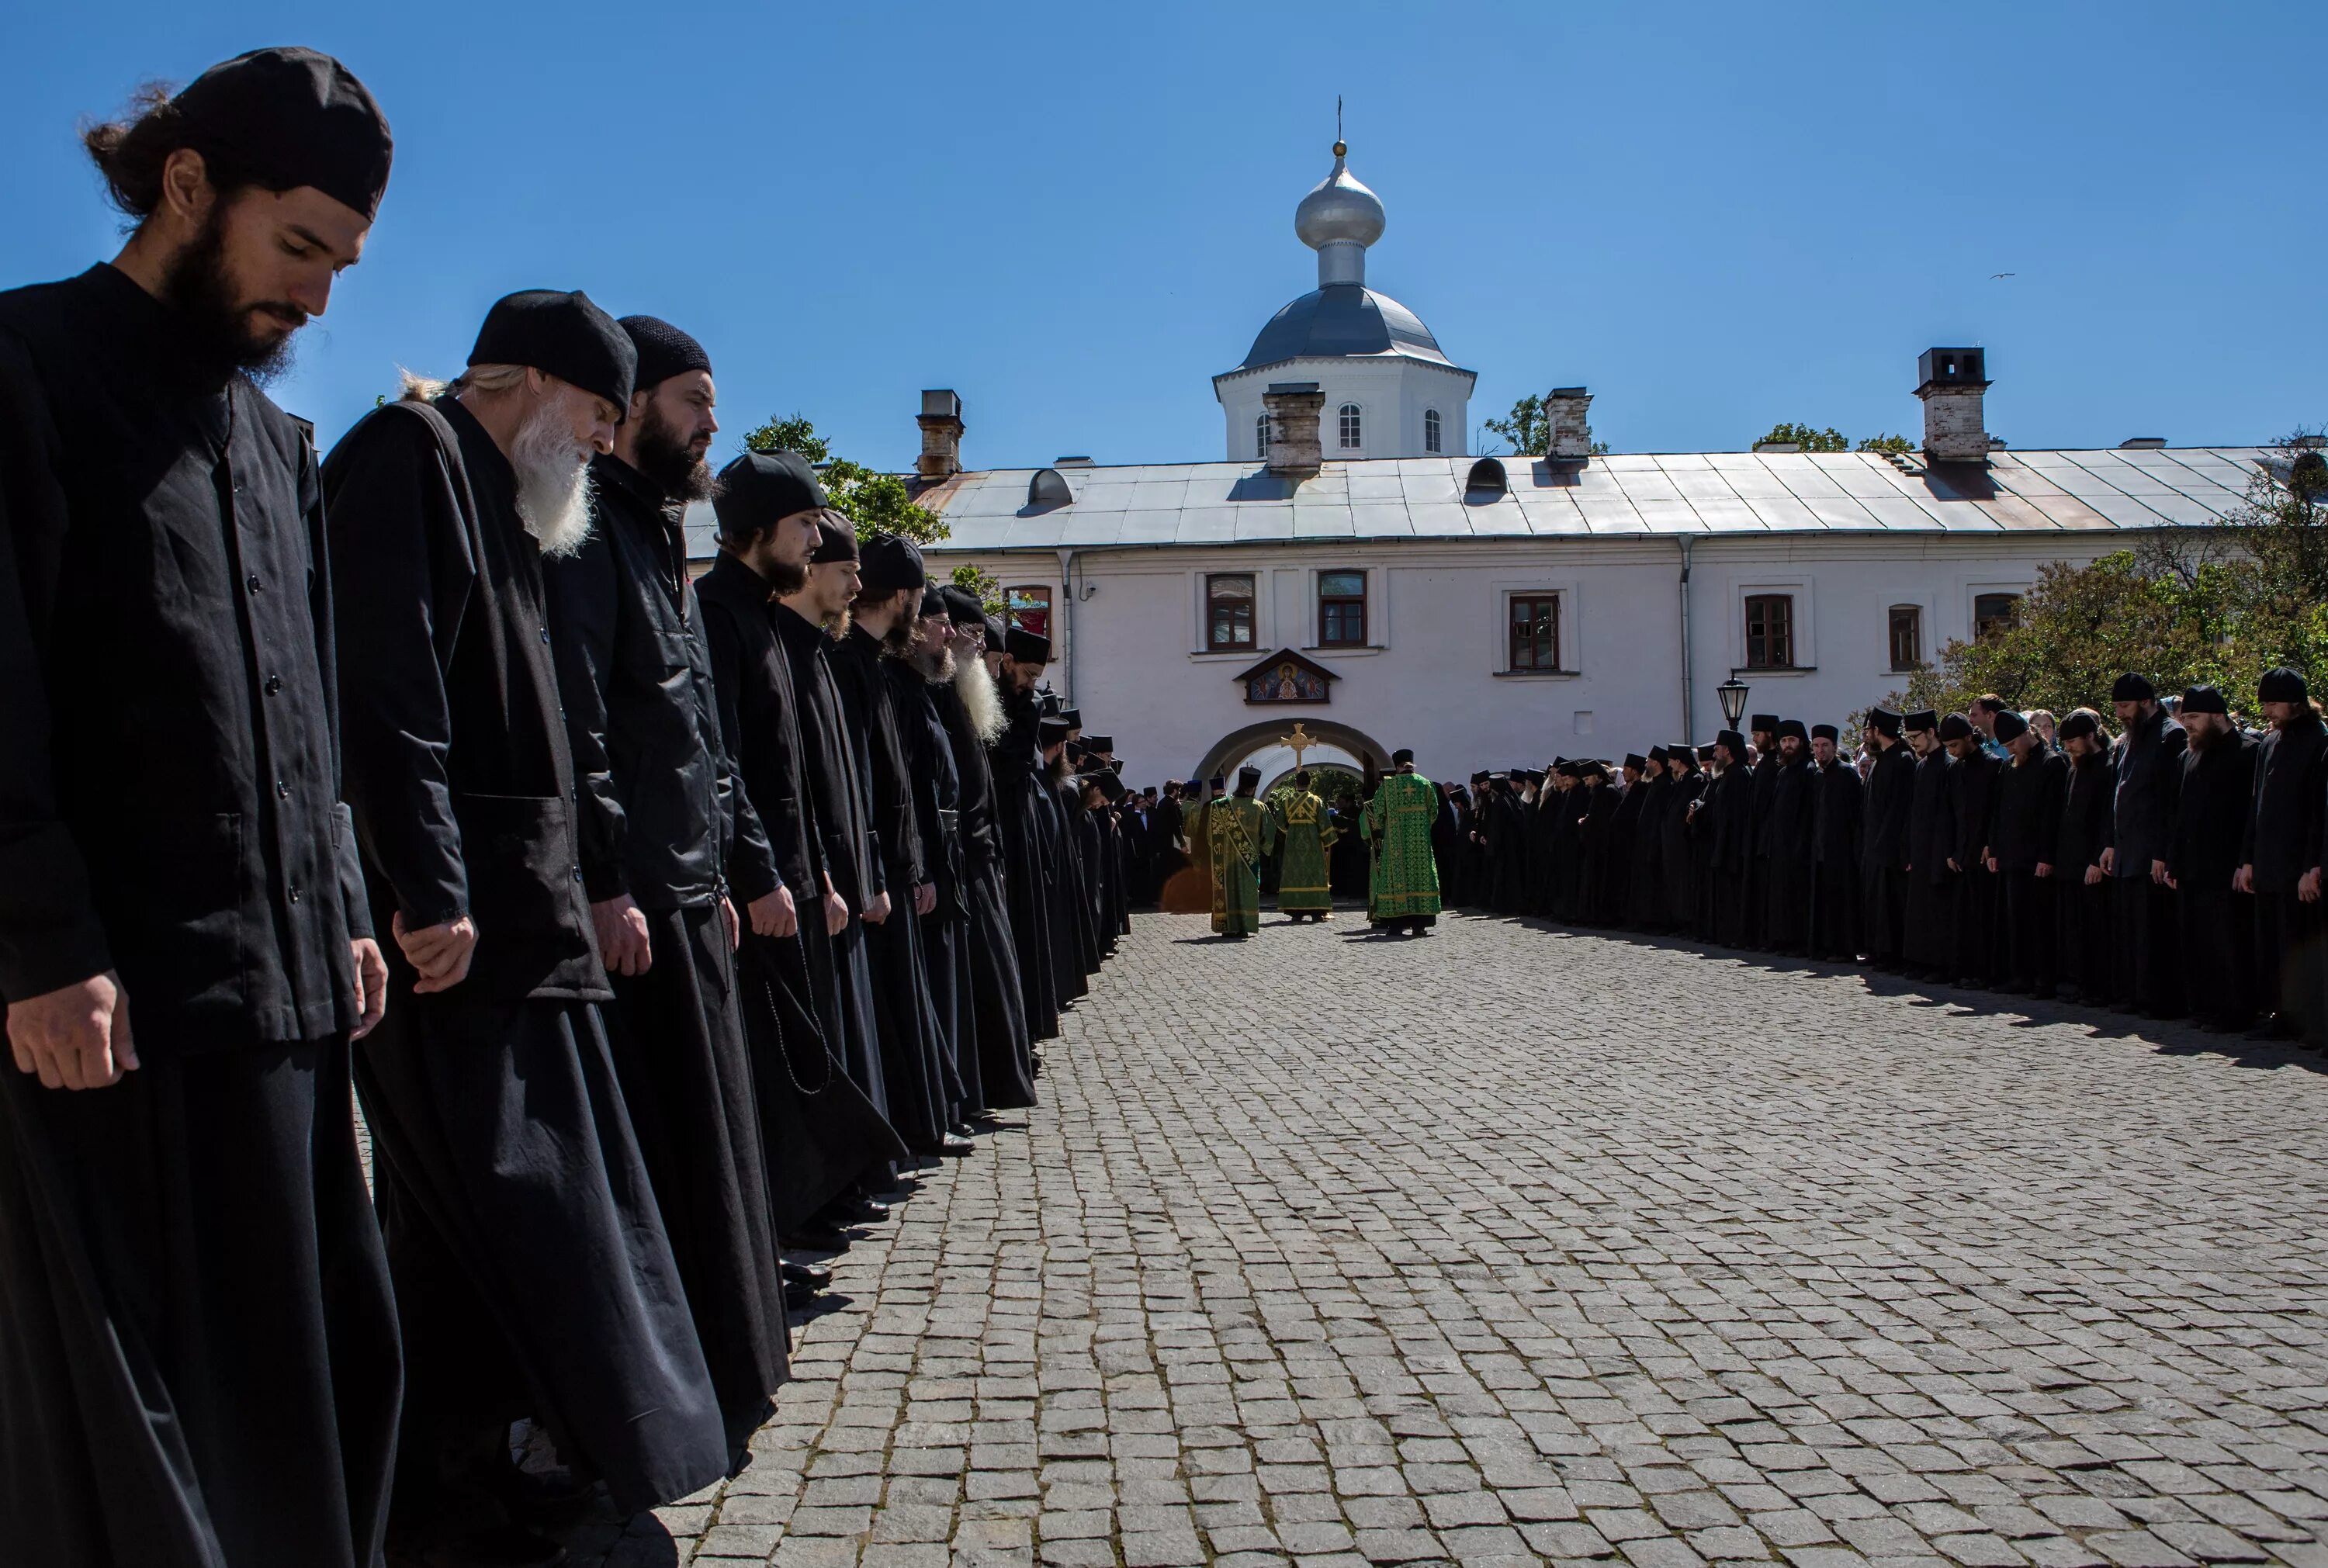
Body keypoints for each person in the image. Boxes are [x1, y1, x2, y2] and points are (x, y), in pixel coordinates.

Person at [0, 49, 404, 1568]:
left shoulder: (275, 440)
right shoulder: (25, 364)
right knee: (145, 1452)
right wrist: (38, 938)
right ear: (186, 185)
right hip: (112, 1010)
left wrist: (346, 904)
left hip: (289, 1000)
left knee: (317, 1395)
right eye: (297, 244)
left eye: (342, 266)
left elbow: (302, 703)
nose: (316, 297)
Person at [327, 289, 731, 1557]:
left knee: (528, 1211)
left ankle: (509, 1448)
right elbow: (386, 695)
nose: (609, 446)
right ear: (522, 379)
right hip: (466, 922)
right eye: (599, 414)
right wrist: (428, 885)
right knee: (492, 1205)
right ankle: (465, 1468)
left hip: (530, 913)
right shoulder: (409, 458)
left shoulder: (512, 496)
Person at [542, 314, 788, 1458]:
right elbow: (581, 722)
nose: (710, 426)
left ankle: (727, 1361)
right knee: (663, 1150)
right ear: (632, 403)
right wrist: (603, 877)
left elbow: (702, 737)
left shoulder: (660, 545)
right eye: (693, 402)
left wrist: (738, 866)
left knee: (711, 1144)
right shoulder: (586, 533)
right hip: (635, 901)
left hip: (690, 894)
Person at [695, 451, 907, 1249]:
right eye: (807, 526)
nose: (817, 541)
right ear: (758, 529)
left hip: (789, 878)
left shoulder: (765, 622)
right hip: (756, 885)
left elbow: (793, 778)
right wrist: (756, 870)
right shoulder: (717, 613)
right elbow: (725, 762)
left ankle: (810, 1205)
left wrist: (813, 867)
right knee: (775, 1069)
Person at [826, 534, 964, 1157]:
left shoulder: (877, 664)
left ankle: (919, 1123)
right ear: (905, 596)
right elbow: (859, 781)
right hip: (873, 869)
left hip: (894, 863)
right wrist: (886, 867)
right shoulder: (852, 663)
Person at [932, 587, 1039, 1107]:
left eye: (978, 636)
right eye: (972, 635)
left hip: (980, 850)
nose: (976, 646)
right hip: (957, 855)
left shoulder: (966, 694)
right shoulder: (936, 691)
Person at [2240, 669, 2326, 1043]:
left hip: (2299, 866)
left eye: (2273, 704)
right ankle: (2281, 1017)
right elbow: (2256, 806)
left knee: (2301, 946)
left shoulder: (2320, 741)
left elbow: (2319, 814)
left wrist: (2312, 866)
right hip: (2268, 864)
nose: (2268, 712)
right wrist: (2247, 860)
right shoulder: (2270, 743)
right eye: (2264, 704)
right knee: (2272, 946)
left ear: (2295, 701)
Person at [2168, 686, 2256, 1033]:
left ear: (2218, 716)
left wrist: (2245, 861)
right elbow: (2179, 813)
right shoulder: (2188, 755)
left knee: (2229, 941)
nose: (2187, 724)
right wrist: (2175, 859)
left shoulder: (2248, 752)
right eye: (2185, 717)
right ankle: (2204, 1005)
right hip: (2192, 866)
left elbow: (2252, 813)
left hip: (2226, 866)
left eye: (2194, 718)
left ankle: (2237, 1010)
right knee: (2198, 940)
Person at [2106, 673, 2186, 1017]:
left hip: (2151, 853)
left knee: (2155, 930)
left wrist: (2161, 852)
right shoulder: (2127, 740)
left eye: (2125, 706)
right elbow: (2119, 794)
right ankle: (2136, 993)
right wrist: (2110, 843)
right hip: (2127, 850)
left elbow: (2169, 801)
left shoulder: (2171, 736)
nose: (2121, 714)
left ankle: (2160, 998)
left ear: (2146, 702)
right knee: (2131, 929)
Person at [1987, 710, 2067, 996]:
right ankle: (2019, 975)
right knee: (2016, 920)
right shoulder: (2010, 767)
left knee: (2040, 922)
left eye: (2011, 744)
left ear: (2026, 734)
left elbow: (2052, 815)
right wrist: (1994, 848)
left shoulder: (2053, 764)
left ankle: (2043, 979)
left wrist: (2046, 856)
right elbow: (1998, 811)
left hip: (2037, 858)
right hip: (2011, 855)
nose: (2009, 750)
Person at [2053, 711, 2117, 1004]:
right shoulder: (2074, 767)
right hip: (2070, 862)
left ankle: (2100, 987)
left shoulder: (2108, 767)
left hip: (2093, 863)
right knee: (2075, 928)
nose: (2068, 747)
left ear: (2091, 736)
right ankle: (2079, 982)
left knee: (2097, 930)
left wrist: (2095, 860)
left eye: (2072, 741)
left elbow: (2107, 819)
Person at [1945, 713, 2003, 988]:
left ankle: (1984, 972)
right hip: (1962, 853)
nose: (1952, 752)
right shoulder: (1954, 769)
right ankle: (1964, 969)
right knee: (1963, 918)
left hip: (1983, 853)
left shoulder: (1993, 766)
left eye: (1955, 745)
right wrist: (1952, 850)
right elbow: (1952, 813)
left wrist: (1990, 844)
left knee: (1983, 918)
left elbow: (1995, 811)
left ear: (1970, 738)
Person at [1361, 749, 1443, 936]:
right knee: (1420, 878)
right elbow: (1434, 812)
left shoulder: (1388, 787)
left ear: (1397, 767)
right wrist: (1421, 827)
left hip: (1395, 845)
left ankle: (1397, 925)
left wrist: (1386, 828)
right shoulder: (1425, 784)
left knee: (1394, 880)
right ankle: (1419, 925)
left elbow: (1378, 815)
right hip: (1420, 844)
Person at [1902, 711, 1956, 977]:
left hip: (1939, 849)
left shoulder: (1949, 765)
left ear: (1931, 733)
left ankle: (1939, 965)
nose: (1913, 743)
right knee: (1921, 910)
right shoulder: (1921, 765)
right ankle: (1921, 961)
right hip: (1921, 849)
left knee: (1938, 910)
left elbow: (1948, 814)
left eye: (1916, 737)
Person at [1859, 709, 1914, 970]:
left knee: (1891, 902)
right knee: (1877, 902)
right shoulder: (1880, 761)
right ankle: (1878, 950)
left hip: (1890, 847)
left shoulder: (1903, 760)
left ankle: (1893, 954)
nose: (1867, 736)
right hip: (1874, 845)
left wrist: (1886, 843)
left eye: (1869, 730)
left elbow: (1898, 808)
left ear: (1878, 731)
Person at [1809, 725, 1863, 962]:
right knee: (1825, 901)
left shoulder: (1846, 773)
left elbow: (1855, 815)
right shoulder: (1818, 776)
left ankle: (1844, 949)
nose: (1820, 751)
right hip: (1821, 849)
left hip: (1842, 850)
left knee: (1843, 902)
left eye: (1825, 746)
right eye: (1816, 746)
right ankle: (1826, 946)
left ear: (1834, 747)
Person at [1762, 722, 1817, 956]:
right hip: (1780, 846)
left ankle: (1799, 942)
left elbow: (1809, 812)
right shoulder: (1783, 772)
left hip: (1800, 845)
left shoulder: (1809, 770)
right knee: (1781, 895)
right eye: (1784, 741)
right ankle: (1782, 939)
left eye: (1792, 741)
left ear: (1801, 743)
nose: (1787, 746)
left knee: (1797, 896)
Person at [1204, 766, 1277, 937]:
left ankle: (1227, 926)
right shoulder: (1259, 808)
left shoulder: (1218, 806)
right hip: (1248, 861)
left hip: (1224, 862)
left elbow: (1210, 836)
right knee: (1246, 891)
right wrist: (1264, 848)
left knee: (1227, 890)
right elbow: (1269, 834)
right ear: (1253, 788)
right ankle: (1244, 926)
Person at [1272, 768, 1337, 920]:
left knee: (1294, 875)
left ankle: (1296, 912)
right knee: (1314, 875)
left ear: (1296, 783)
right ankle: (1316, 912)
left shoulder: (1287, 801)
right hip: (1313, 845)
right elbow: (1324, 824)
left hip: (1293, 845)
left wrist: (1291, 831)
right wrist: (1328, 844)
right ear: (1310, 783)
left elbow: (1280, 823)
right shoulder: (1316, 801)